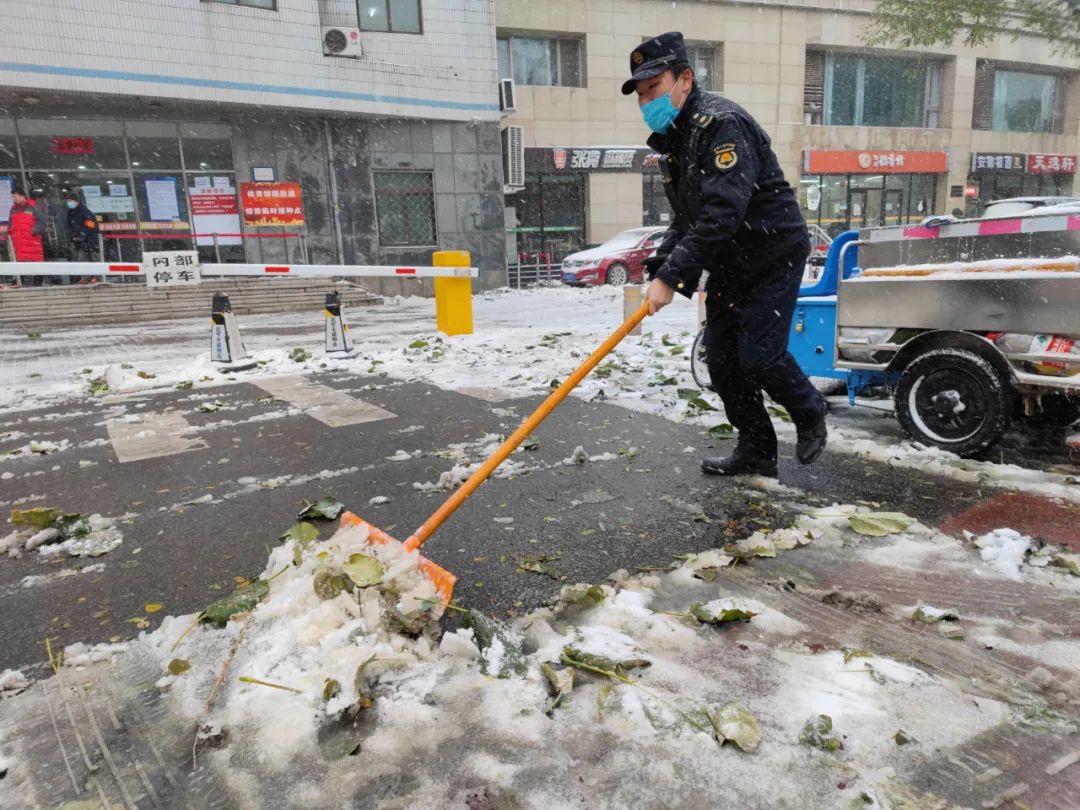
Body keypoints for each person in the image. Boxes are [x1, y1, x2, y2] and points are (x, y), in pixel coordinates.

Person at [624, 32, 827, 478]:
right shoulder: (675, 142)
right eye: (640, 95)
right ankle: (756, 449)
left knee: (760, 355)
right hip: (732, 258)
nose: (646, 102)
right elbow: (687, 219)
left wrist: (673, 275)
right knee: (721, 361)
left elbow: (722, 213)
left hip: (772, 249)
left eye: (653, 89)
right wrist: (662, 268)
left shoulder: (720, 124)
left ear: (684, 80)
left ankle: (810, 408)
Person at [62, 190, 100, 283]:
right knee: (81, 259)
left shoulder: (84, 212)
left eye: (70, 201)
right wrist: (72, 236)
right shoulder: (70, 214)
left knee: (92, 258)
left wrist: (84, 233)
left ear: (76, 201)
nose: (69, 203)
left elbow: (92, 226)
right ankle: (85, 277)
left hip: (89, 240)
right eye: (67, 201)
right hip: (78, 241)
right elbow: (70, 227)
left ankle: (96, 277)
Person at [7, 186, 45, 263]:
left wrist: (31, 232)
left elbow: (41, 222)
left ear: (22, 196)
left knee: (33, 268)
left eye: (15, 196)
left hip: (31, 243)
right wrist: (11, 231)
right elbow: (10, 223)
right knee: (20, 268)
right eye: (12, 197)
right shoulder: (13, 209)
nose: (13, 199)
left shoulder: (33, 207)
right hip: (17, 243)